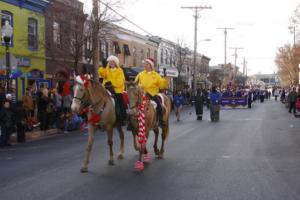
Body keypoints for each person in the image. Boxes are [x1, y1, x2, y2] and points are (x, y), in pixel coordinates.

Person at [134, 57, 168, 126]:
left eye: (147, 64)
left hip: (152, 94)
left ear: (151, 65)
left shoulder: (156, 75)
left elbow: (161, 85)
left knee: (159, 106)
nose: (145, 65)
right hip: (141, 94)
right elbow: (135, 83)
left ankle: (160, 120)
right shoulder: (140, 74)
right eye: (145, 64)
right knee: (132, 105)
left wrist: (165, 80)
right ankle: (131, 122)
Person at [98, 55, 127, 126]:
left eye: (113, 61)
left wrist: (112, 83)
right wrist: (103, 67)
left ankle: (121, 118)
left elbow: (121, 81)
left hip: (116, 90)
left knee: (120, 103)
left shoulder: (120, 70)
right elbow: (101, 74)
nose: (111, 63)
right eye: (110, 61)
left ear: (116, 63)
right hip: (106, 89)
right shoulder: (106, 69)